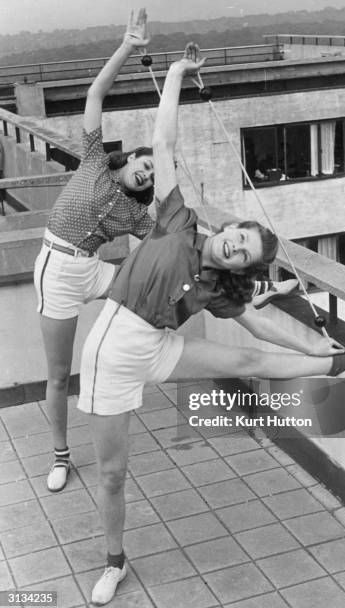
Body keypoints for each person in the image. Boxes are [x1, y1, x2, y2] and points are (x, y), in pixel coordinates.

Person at [76, 42, 345, 606]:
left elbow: (263, 332)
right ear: (230, 227)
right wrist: (173, 73)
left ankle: (340, 363)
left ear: (240, 265)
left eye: (242, 253)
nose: (233, 245)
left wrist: (319, 339)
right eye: (237, 236)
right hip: (113, 349)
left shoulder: (221, 288)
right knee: (113, 474)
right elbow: (164, 140)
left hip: (160, 344)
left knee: (249, 360)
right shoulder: (175, 221)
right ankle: (115, 562)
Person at [33, 9, 157, 493]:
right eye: (143, 164)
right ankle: (60, 455)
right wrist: (128, 46)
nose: (145, 174)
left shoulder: (135, 215)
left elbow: (171, 241)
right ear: (128, 160)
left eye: (151, 175)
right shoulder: (94, 161)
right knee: (61, 375)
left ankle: (245, 292)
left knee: (156, 288)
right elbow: (95, 93)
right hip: (58, 271)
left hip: (96, 270)